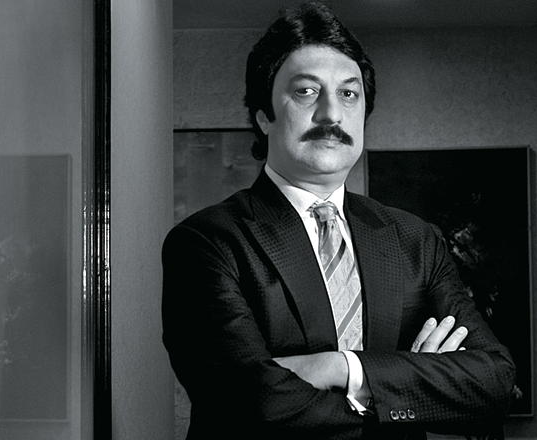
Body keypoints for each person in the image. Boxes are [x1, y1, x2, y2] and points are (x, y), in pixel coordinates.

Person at [162, 3, 515, 439]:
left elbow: (494, 382)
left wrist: (339, 367)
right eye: (307, 92)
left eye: (349, 94)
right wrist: (410, 384)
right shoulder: (207, 242)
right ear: (263, 115)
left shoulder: (415, 240)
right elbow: (250, 401)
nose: (331, 114)